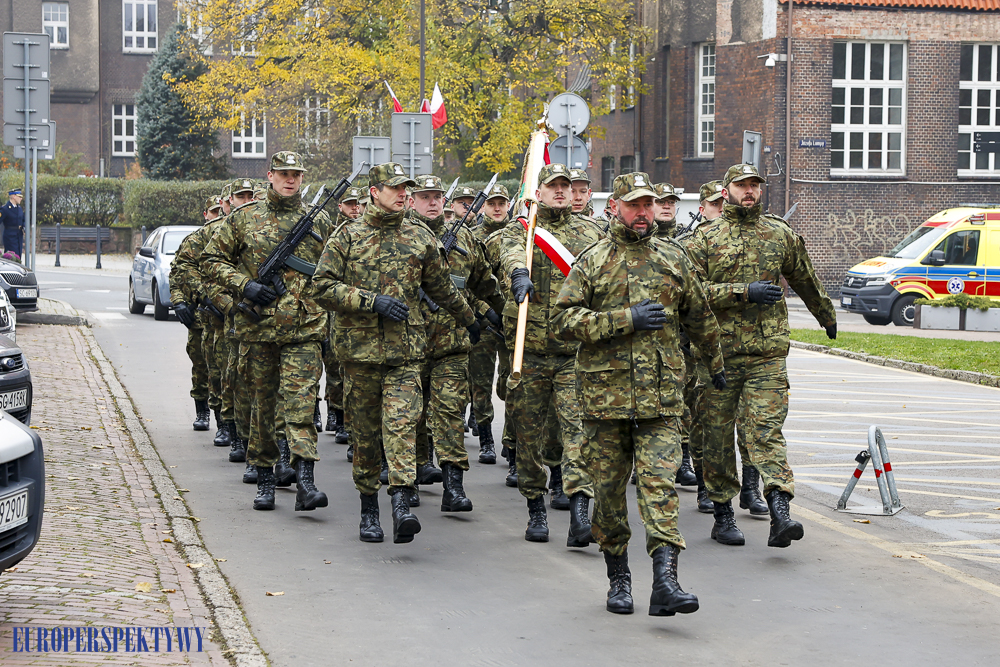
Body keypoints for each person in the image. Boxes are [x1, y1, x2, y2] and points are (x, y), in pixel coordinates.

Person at [553, 171, 725, 616]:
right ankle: (619, 579)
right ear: (615, 207)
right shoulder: (593, 260)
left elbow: (700, 317)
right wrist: (623, 319)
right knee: (609, 498)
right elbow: (563, 321)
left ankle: (665, 581)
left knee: (659, 488)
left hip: (660, 401)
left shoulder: (673, 257)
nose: (644, 212)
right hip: (604, 403)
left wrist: (716, 366)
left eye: (648, 204)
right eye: (634, 205)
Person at [312, 162, 479, 544]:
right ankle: (369, 510)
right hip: (360, 357)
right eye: (395, 188)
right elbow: (321, 286)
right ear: (374, 192)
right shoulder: (347, 236)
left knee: (402, 427)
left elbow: (442, 288)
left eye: (406, 188)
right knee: (367, 437)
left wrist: (470, 320)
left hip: (406, 355)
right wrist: (370, 301)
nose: (403, 194)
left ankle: (401, 504)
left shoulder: (419, 236)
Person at [685, 163, 837, 548]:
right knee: (717, 436)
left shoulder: (778, 233)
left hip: (766, 353)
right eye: (742, 185)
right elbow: (690, 294)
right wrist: (743, 291)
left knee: (766, 430)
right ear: (726, 191)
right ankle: (722, 513)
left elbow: (804, 276)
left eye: (755, 185)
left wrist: (825, 314)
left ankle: (779, 509)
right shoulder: (705, 238)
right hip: (717, 356)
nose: (749, 191)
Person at [203, 151, 333, 513]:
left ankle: (305, 480)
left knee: (302, 404)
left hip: (304, 328)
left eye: (296, 174)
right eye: (283, 173)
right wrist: (245, 285)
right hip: (258, 329)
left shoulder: (319, 220)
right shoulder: (244, 218)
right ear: (269, 175)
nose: (290, 180)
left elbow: (334, 268)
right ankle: (264, 478)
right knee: (263, 406)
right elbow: (211, 260)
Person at [498, 162, 605, 547]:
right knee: (529, 437)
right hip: (529, 353)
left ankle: (580, 510)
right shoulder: (521, 230)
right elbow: (509, 252)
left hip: (574, 352)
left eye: (566, 185)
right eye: (553, 185)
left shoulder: (591, 232)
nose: (561, 191)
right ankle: (536, 508)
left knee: (578, 432)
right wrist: (517, 273)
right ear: (538, 192)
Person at [408, 174, 501, 511]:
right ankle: (413, 474)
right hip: (409, 345)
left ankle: (454, 486)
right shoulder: (400, 237)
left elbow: (482, 285)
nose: (432, 202)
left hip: (452, 344)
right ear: (411, 200)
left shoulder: (465, 239)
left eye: (437, 196)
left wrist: (501, 313)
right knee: (412, 415)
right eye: (425, 196)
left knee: (449, 413)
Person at [468, 183, 514, 467]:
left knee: (511, 384)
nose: (497, 209)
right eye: (492, 204)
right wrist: (486, 311)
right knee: (480, 382)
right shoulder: (472, 238)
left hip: (511, 321)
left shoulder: (520, 235)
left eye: (502, 204)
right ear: (483, 206)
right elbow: (467, 284)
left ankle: (511, 440)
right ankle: (486, 439)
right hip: (484, 322)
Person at [169, 196, 221, 434]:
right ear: (205, 214)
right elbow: (177, 274)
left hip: (221, 316)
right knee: (200, 367)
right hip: (198, 316)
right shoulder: (195, 241)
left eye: (221, 211)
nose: (218, 215)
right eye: (214, 211)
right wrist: (179, 302)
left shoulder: (231, 237)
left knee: (221, 370)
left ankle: (224, 421)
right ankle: (202, 411)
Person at [322, 186, 365, 448]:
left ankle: (348, 424)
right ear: (340, 206)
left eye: (358, 204)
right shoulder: (334, 233)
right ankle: (336, 415)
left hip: (360, 309)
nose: (355, 208)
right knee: (335, 367)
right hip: (335, 308)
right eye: (350, 204)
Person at [0, 189, 24, 259]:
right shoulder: (5, 209)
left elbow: (23, 219)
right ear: (14, 196)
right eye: (19, 196)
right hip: (10, 236)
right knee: (12, 257)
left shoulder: (19, 208)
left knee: (18, 255)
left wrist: (24, 227)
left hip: (18, 235)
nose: (21, 198)